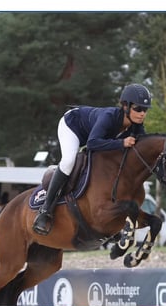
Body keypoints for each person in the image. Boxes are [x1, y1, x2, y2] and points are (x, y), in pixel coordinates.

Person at [32, 83, 152, 236]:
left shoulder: (136, 126)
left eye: (145, 110)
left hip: (91, 135)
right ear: (125, 106)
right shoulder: (109, 117)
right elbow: (92, 143)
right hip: (72, 126)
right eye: (138, 109)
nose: (142, 113)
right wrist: (121, 143)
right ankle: (45, 210)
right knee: (69, 161)